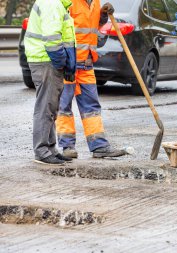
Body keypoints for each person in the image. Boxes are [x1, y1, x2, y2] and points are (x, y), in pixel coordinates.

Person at [56, 0, 126, 159]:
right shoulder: (68, 3)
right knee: (64, 106)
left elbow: (93, 27)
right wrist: (64, 62)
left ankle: (99, 146)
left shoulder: (95, 2)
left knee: (91, 108)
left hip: (87, 64)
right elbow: (59, 31)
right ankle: (67, 146)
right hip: (70, 64)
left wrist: (102, 16)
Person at [25, 0, 76, 165]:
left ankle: (50, 148)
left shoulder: (59, 4)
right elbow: (52, 39)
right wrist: (62, 62)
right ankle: (41, 151)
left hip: (47, 60)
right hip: (46, 60)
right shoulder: (52, 3)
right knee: (46, 106)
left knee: (51, 106)